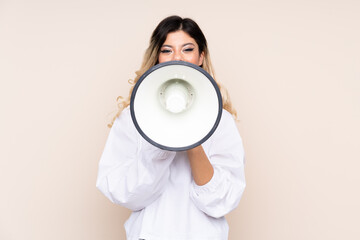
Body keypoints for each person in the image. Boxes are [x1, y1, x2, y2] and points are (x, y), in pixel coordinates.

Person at [96, 15, 246, 240]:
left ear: (200, 57)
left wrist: (193, 141)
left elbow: (222, 201)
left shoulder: (221, 121)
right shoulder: (131, 118)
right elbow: (123, 193)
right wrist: (161, 142)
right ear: (157, 58)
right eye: (167, 50)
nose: (177, 57)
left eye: (187, 49)